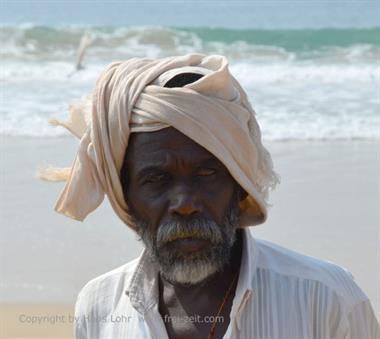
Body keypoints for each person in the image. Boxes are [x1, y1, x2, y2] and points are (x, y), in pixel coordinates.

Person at [43, 54, 379, 339]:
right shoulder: (99, 307)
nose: (185, 203)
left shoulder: (325, 298)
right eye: (156, 179)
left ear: (238, 184)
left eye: (207, 174)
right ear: (125, 196)